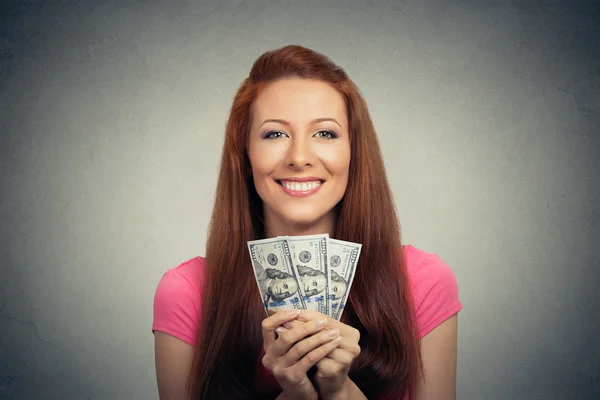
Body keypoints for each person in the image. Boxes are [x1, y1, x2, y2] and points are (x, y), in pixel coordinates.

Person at [153, 44, 463, 399]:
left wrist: (339, 392)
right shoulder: (188, 292)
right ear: (245, 152)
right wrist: (296, 394)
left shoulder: (422, 282)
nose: (299, 157)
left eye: (325, 133)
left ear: (353, 151)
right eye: (275, 134)